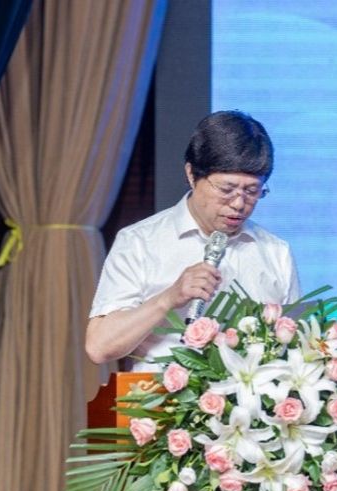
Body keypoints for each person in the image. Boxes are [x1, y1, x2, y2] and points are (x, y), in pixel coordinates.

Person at [86, 110, 301, 370]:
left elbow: (295, 347)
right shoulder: (140, 242)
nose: (238, 204)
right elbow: (99, 347)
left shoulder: (276, 251)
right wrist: (168, 298)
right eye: (226, 189)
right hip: (161, 393)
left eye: (252, 191)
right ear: (191, 174)